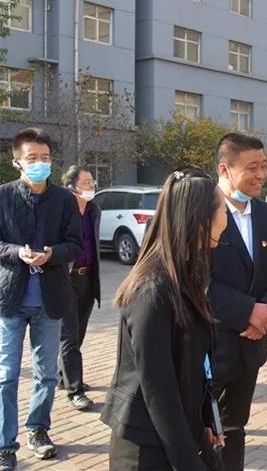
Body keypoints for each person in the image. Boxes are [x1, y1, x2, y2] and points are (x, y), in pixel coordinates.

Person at [101, 167, 227, 470]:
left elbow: (191, 364)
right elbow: (158, 389)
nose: (228, 216)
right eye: (223, 209)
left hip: (179, 431)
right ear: (201, 219)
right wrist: (189, 461)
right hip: (147, 446)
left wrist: (203, 420)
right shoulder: (152, 290)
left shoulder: (186, 274)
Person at [0, 128, 82, 470]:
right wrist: (17, 253)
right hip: (11, 300)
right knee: (6, 376)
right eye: (32, 158)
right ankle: (5, 445)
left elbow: (76, 245)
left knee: (46, 374)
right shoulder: (3, 196)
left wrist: (52, 255)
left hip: (50, 300)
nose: (39, 163)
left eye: (45, 158)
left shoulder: (64, 200)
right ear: (17, 162)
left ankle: (38, 430)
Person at [207, 133, 267, 471]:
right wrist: (246, 313)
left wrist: (265, 313)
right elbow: (195, 280)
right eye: (252, 167)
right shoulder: (203, 211)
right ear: (225, 169)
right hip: (211, 343)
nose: (261, 175)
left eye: (264, 166)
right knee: (203, 428)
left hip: (252, 343)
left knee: (235, 426)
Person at [58, 165, 101, 410]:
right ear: (71, 187)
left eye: (92, 182)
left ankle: (63, 376)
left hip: (88, 279)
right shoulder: (62, 211)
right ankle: (75, 390)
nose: (91, 186)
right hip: (66, 279)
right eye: (86, 182)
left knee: (79, 334)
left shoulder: (94, 210)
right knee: (69, 336)